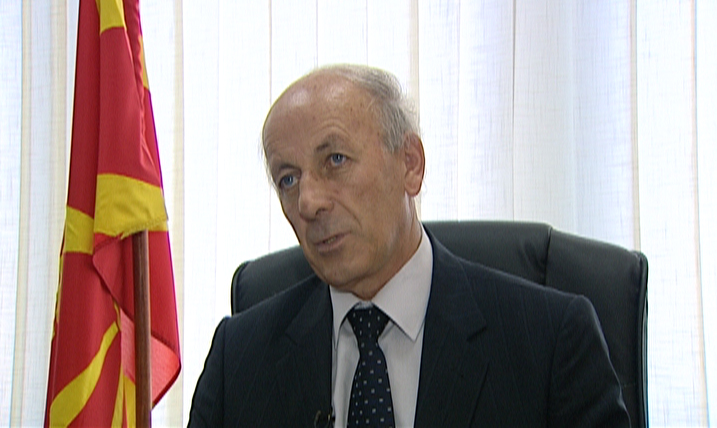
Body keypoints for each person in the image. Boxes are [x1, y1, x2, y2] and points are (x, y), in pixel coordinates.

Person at [188, 64, 630, 428]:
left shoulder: (549, 340)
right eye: (288, 178)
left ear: (410, 164)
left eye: (335, 160)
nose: (308, 202)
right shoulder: (239, 358)